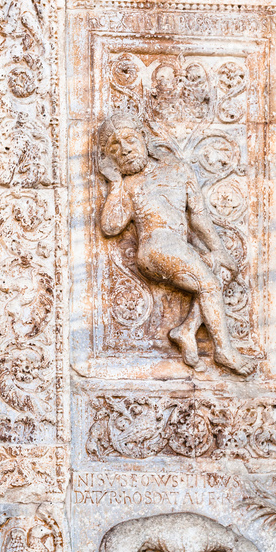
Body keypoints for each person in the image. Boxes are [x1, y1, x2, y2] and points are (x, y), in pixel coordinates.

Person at [98, 113, 254, 376]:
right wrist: (115, 185)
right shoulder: (129, 184)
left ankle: (186, 330)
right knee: (209, 284)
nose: (124, 149)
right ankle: (225, 351)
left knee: (222, 271)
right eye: (114, 147)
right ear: (110, 158)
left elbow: (199, 217)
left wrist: (220, 252)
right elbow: (111, 227)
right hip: (156, 250)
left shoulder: (178, 169)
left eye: (129, 140)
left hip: (180, 249)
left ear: (144, 139)